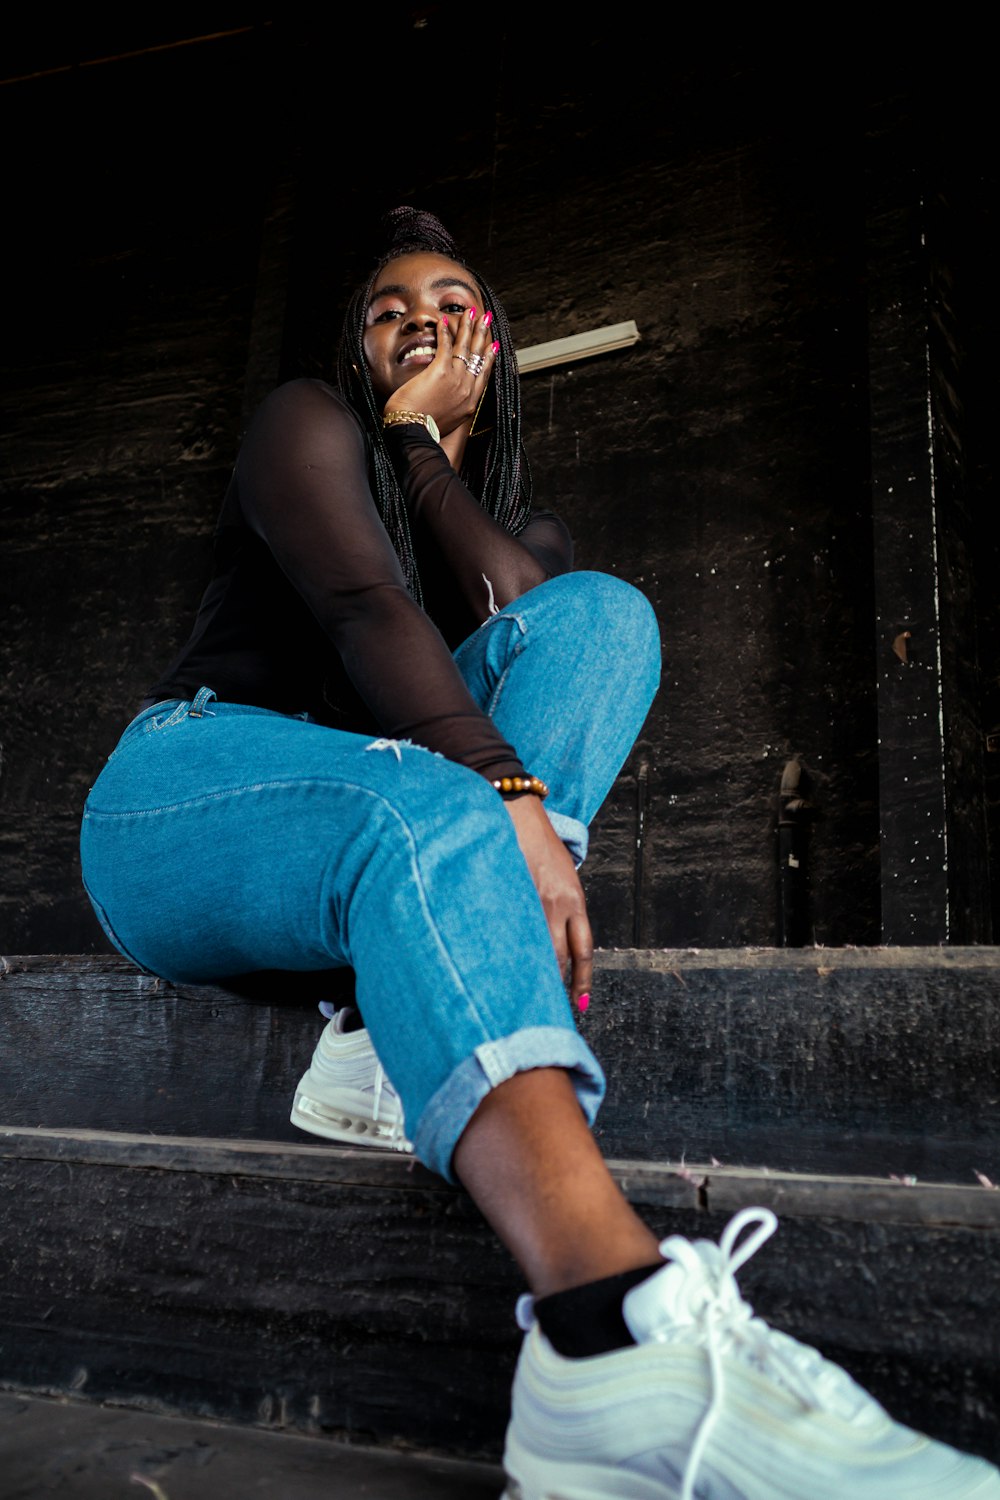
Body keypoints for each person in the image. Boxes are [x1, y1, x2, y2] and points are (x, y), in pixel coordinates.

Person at [79, 207, 999, 1500]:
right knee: (441, 799)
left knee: (601, 617)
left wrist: (423, 449)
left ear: (494, 348)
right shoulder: (306, 420)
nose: (421, 321)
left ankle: (388, 1027)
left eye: (452, 304)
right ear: (355, 351)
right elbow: (358, 606)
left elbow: (528, 613)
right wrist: (497, 782)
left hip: (405, 832)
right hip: (191, 797)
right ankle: (608, 1339)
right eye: (389, 309)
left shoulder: (518, 531)